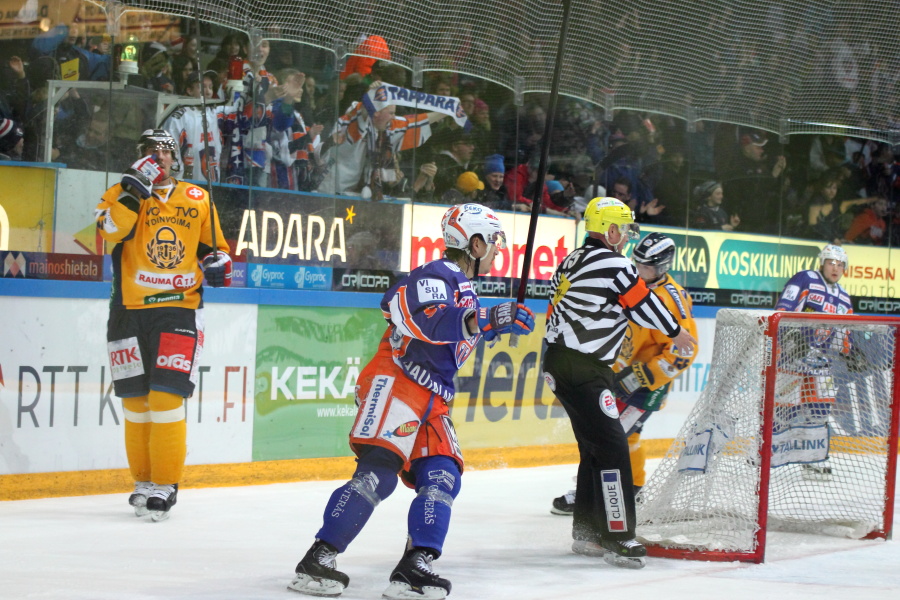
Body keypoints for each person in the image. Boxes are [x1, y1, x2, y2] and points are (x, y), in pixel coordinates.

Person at [287, 204, 535, 599]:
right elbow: (428, 318)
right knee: (379, 472)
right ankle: (317, 560)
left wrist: (492, 322)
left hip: (433, 396)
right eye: (493, 242)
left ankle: (415, 567)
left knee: (442, 475)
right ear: (474, 243)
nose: (497, 250)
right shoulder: (434, 274)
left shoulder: (464, 287)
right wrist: (485, 320)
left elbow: (457, 330)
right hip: (397, 378)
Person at [542, 198, 697, 569]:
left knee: (594, 447)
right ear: (610, 231)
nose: (626, 238)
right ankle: (617, 535)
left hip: (558, 362)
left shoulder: (573, 258)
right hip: (585, 369)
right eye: (624, 230)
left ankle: (586, 532)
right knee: (613, 447)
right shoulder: (614, 263)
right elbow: (642, 303)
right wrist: (676, 332)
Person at [95, 129, 231, 521]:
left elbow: (215, 249)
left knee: (166, 399)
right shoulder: (119, 192)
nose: (161, 158)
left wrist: (220, 263)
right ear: (140, 157)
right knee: (136, 403)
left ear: (178, 159)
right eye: (152, 152)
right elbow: (109, 232)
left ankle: (167, 484)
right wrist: (133, 192)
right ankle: (143, 481)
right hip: (126, 310)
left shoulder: (198, 197)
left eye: (166, 153)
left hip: (179, 309)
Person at [773, 244, 853, 478]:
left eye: (840, 265)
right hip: (790, 358)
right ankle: (767, 452)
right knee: (782, 410)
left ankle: (813, 459)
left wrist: (851, 353)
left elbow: (842, 336)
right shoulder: (805, 279)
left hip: (821, 364)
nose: (835, 268)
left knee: (820, 409)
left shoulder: (845, 298)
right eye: (831, 262)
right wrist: (790, 339)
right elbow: (783, 310)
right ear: (822, 263)